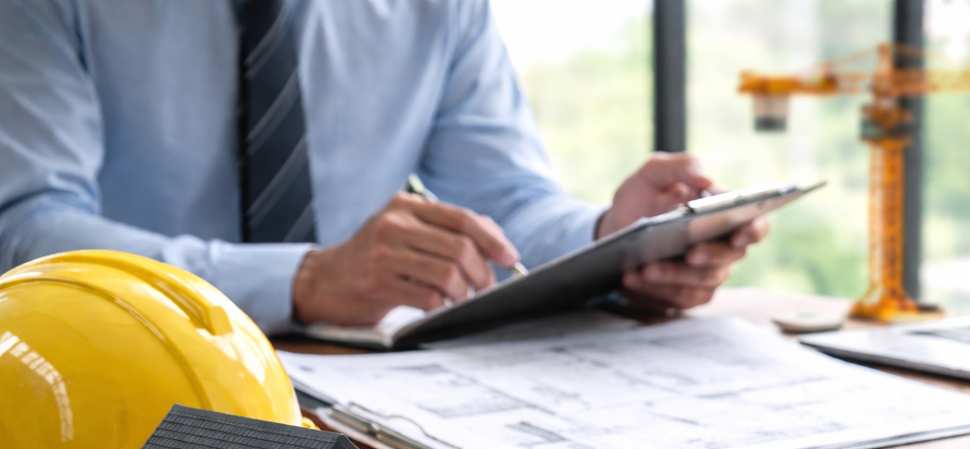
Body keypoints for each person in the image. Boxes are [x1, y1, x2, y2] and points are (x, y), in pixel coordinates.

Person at [0, 1, 767, 333]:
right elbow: (25, 232)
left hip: (366, 400)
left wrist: (614, 239)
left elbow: (505, 205)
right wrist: (304, 281)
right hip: (119, 382)